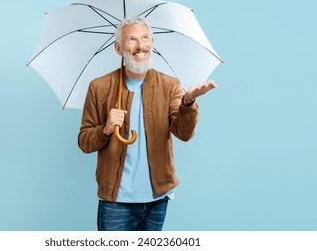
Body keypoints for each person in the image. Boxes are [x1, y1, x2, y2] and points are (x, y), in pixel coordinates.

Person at [78, 17, 216, 231]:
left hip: (157, 199)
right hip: (116, 201)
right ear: (118, 48)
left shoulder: (170, 85)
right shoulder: (99, 87)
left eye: (145, 38)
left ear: (152, 43)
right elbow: (84, 142)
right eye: (132, 39)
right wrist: (105, 129)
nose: (140, 46)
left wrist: (188, 102)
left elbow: (184, 133)